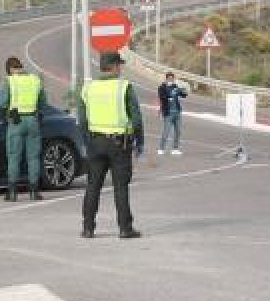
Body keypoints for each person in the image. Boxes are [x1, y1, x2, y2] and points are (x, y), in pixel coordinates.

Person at [77, 51, 144, 238]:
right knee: (120, 187)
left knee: (93, 186)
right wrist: (140, 142)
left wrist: (87, 142)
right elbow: (137, 119)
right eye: (120, 65)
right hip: (119, 145)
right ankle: (125, 228)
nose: (121, 68)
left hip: (95, 143)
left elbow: (81, 120)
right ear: (114, 67)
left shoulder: (88, 88)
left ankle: (88, 228)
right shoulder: (124, 87)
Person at [0, 56, 48, 201]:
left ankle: (12, 193)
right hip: (32, 120)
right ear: (21, 67)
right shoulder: (35, 80)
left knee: (13, 157)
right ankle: (34, 192)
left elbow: (0, 103)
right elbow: (43, 103)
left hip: (16, 121)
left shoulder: (10, 81)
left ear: (10, 70)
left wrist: (9, 106)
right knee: (33, 157)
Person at [157, 71, 188, 155]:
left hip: (177, 112)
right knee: (166, 131)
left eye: (172, 78)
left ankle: (175, 148)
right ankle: (161, 148)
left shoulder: (175, 86)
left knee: (178, 131)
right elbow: (162, 97)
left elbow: (183, 95)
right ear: (166, 79)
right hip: (168, 113)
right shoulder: (162, 87)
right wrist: (169, 97)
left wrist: (184, 92)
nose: (171, 80)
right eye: (169, 78)